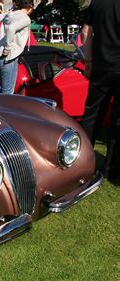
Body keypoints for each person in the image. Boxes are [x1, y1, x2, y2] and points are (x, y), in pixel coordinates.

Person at [80, 0, 120, 181]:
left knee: (92, 116)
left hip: (101, 67)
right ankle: (110, 170)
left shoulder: (97, 3)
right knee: (117, 121)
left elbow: (86, 32)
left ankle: (83, 164)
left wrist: (88, 62)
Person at [0, 0, 34, 94]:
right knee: (7, 92)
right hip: (7, 56)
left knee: (7, 90)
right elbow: (11, 28)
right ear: (31, 7)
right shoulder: (25, 19)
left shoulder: (11, 14)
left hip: (7, 56)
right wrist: (7, 48)